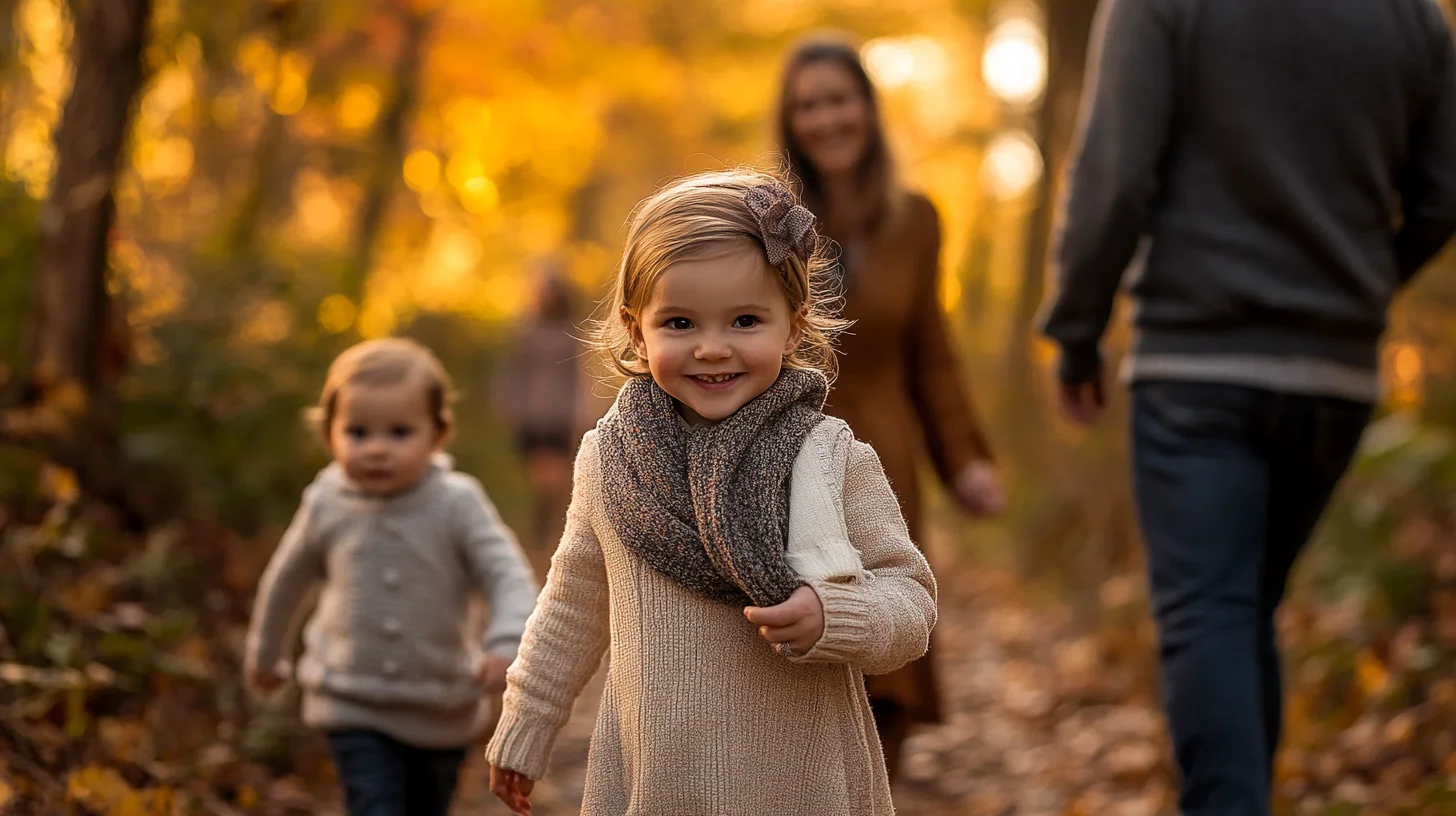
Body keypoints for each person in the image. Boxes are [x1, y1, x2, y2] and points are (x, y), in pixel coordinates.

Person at [1039, 0, 1456, 813]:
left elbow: (1116, 175)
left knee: (1212, 614)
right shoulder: (1414, 17)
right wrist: (1357, 288)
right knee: (1242, 610)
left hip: (1198, 366)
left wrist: (1077, 331)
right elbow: (1443, 196)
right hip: (1336, 380)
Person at [484, 169, 938, 816]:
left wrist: (835, 616)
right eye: (679, 323)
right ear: (637, 332)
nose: (712, 347)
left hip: (799, 783)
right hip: (658, 781)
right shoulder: (612, 460)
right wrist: (526, 722)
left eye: (746, 320)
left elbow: (910, 599)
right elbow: (571, 604)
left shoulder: (827, 456)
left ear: (794, 326)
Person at [775, 35, 1004, 777]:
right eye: (807, 105)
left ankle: (880, 784)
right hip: (784, 453)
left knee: (883, 644)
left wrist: (965, 459)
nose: (826, 119)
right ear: (789, 121)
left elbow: (932, 353)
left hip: (884, 458)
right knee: (800, 638)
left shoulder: (916, 219)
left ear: (868, 111)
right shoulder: (767, 216)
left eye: (839, 100)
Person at [244, 338, 538, 816]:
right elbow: (286, 580)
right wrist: (265, 652)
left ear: (437, 435)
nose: (377, 449)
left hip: (441, 706)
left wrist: (505, 640)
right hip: (351, 702)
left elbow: (506, 575)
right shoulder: (326, 501)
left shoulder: (457, 503)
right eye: (358, 432)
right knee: (374, 804)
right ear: (330, 435)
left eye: (400, 432)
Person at [498, 261, 586, 551]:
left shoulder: (570, 331)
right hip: (533, 415)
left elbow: (578, 376)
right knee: (541, 479)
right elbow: (513, 371)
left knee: (556, 479)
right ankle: (542, 529)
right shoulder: (525, 329)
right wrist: (510, 405)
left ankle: (551, 529)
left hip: (560, 415)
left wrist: (580, 411)